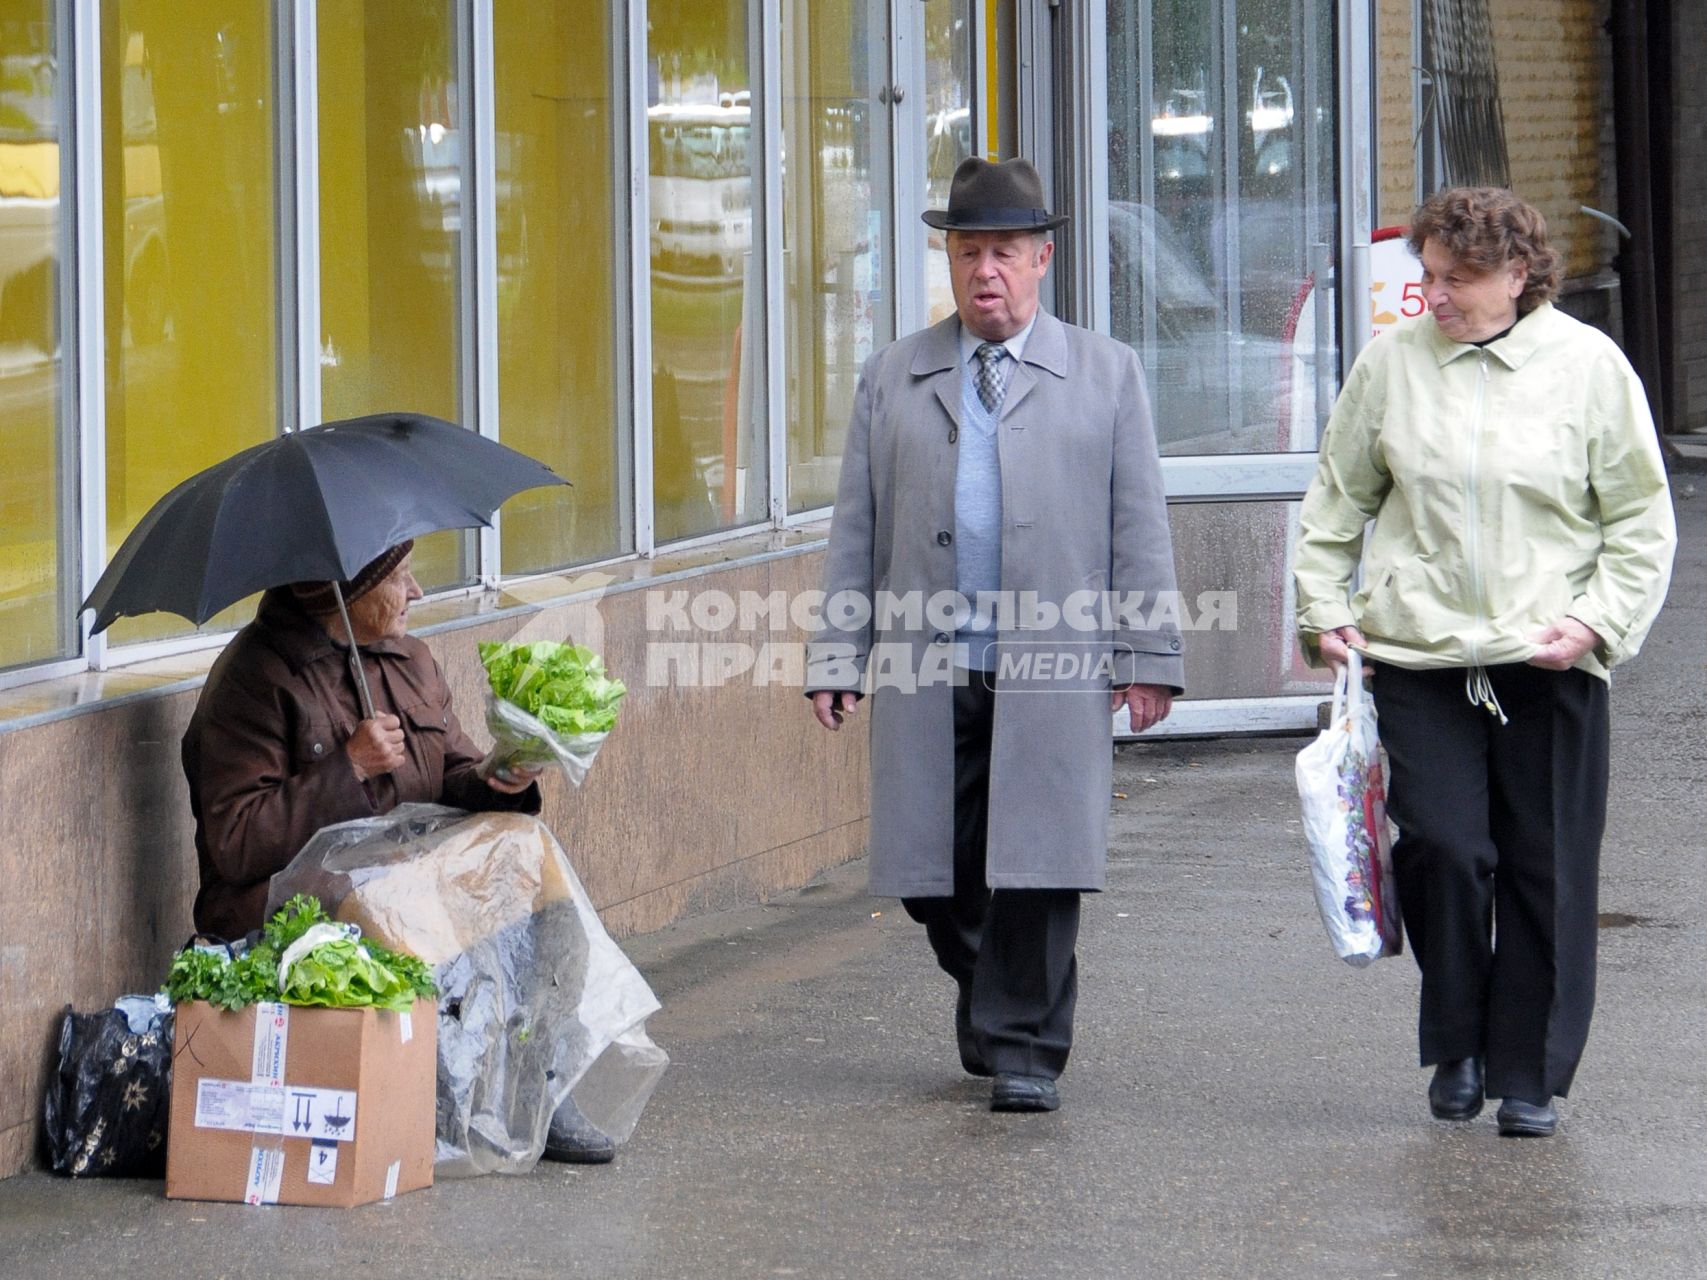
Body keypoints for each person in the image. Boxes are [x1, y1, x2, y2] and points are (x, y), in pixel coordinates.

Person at [1294, 187, 1677, 1137]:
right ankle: (1456, 1040)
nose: (1437, 296)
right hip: (1419, 656)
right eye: (1427, 276)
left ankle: (1529, 1074)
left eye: (1458, 279)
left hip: (1546, 659)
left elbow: (1639, 520)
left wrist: (1595, 623)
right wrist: (1323, 610)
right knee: (1444, 852)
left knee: (1545, 870)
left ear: (1518, 276)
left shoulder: (1588, 369)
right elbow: (1335, 503)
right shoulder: (1389, 367)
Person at [806, 157, 1184, 1114]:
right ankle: (996, 994)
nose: (986, 272)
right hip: (929, 663)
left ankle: (1022, 1049)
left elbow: (1139, 528)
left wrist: (1148, 661)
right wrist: (835, 655)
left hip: (1053, 663)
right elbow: (856, 528)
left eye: (1005, 254)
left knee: (1038, 860)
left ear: (1042, 259)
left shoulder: (1104, 374)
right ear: (949, 258)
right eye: (968, 252)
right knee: (935, 874)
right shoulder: (895, 373)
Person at [182, 539, 613, 1163]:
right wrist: (346, 768)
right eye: (400, 579)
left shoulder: (408, 658)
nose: (417, 593)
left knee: (529, 854)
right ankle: (442, 1090)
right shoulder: (254, 680)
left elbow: (451, 773)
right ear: (348, 591)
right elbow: (236, 843)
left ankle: (539, 1078)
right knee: (387, 905)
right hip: (286, 903)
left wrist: (500, 775)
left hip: (402, 875)